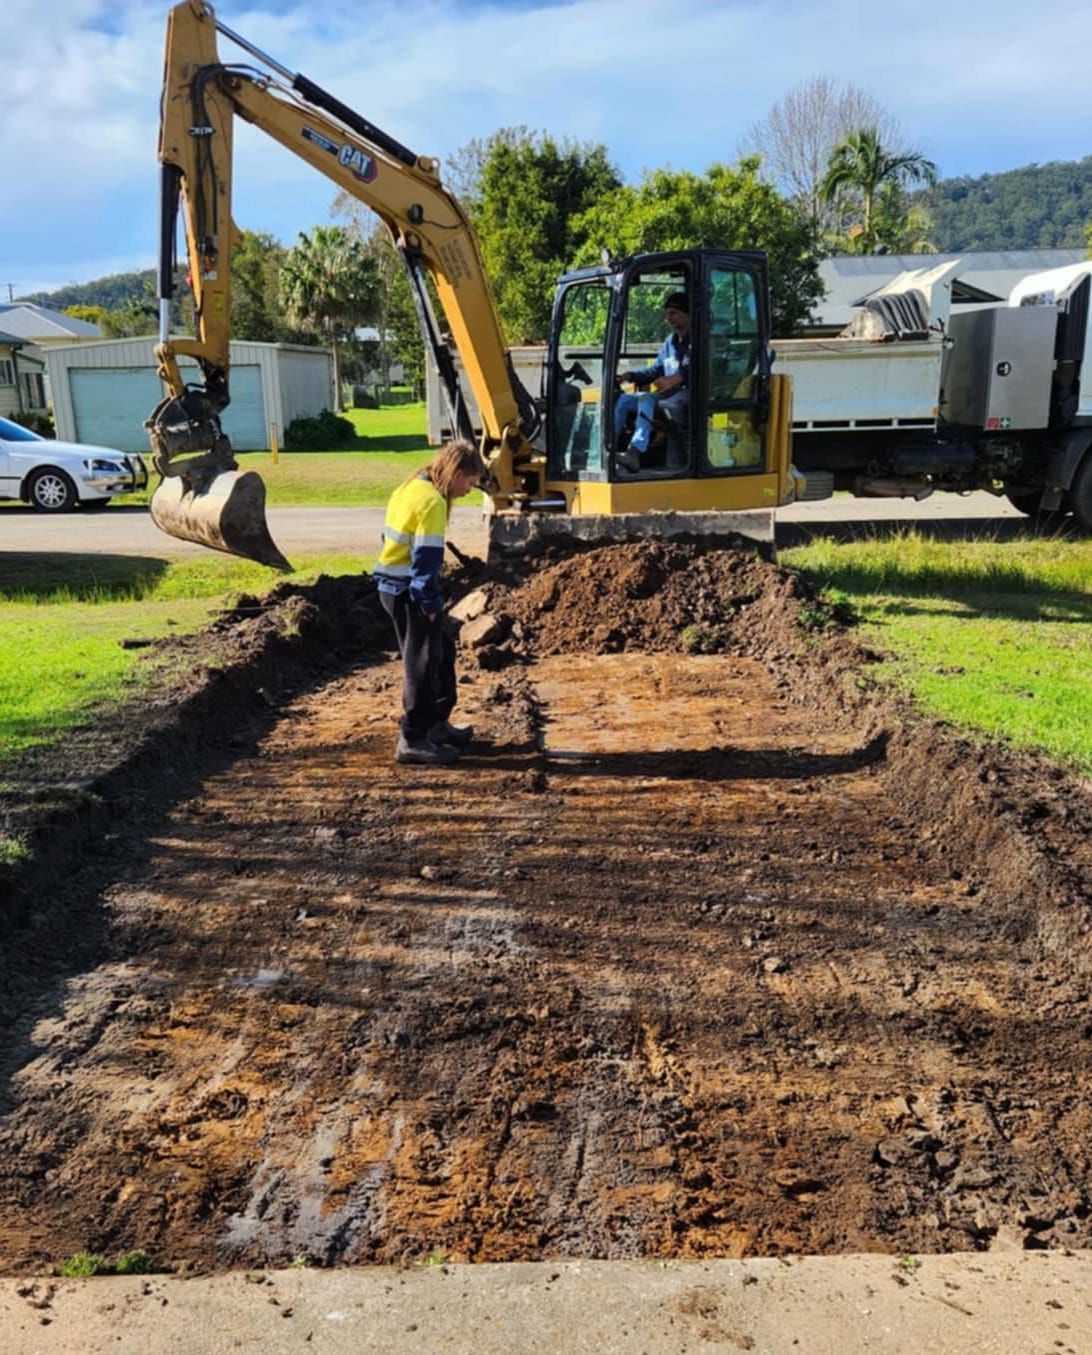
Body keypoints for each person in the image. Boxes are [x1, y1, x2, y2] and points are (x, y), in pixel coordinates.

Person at [373, 438, 485, 765]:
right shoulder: (433, 503)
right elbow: (425, 561)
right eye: (469, 482)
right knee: (420, 665)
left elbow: (389, 538)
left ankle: (436, 724)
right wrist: (430, 604)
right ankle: (413, 739)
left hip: (394, 586)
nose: (468, 491)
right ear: (456, 472)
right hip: (408, 591)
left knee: (441, 654)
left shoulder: (411, 486)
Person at [613, 290, 691, 473]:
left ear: (686, 313)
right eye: (666, 313)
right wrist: (630, 376)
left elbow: (704, 369)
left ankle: (635, 451)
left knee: (647, 399)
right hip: (668, 395)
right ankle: (608, 447)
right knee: (625, 400)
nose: (668, 318)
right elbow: (655, 370)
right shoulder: (670, 342)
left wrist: (678, 378)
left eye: (673, 313)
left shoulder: (699, 340)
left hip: (692, 395)